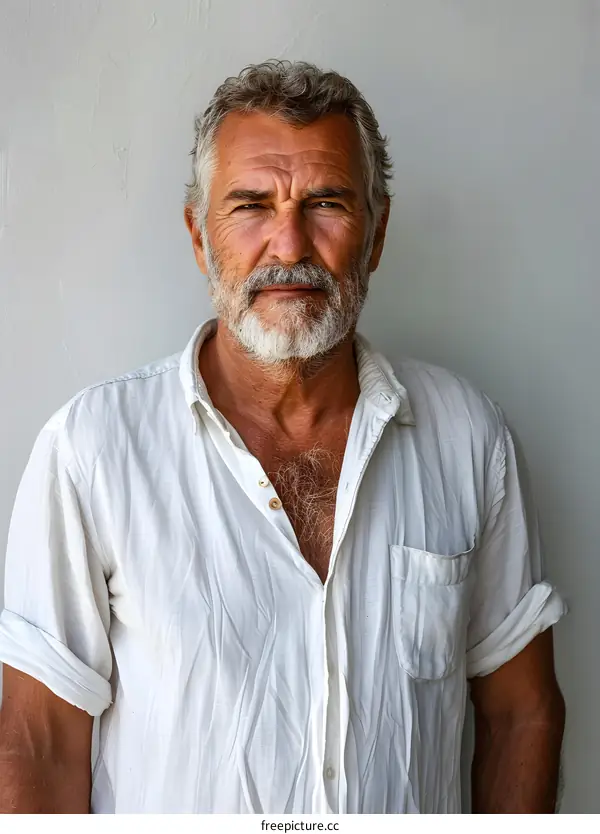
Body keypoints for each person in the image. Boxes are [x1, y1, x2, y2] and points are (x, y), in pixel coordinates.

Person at [0, 60, 566, 814]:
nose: (290, 243)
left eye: (326, 202)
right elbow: (36, 741)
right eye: (252, 205)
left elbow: (522, 713)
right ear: (201, 236)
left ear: (377, 231)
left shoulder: (469, 437)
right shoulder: (93, 450)